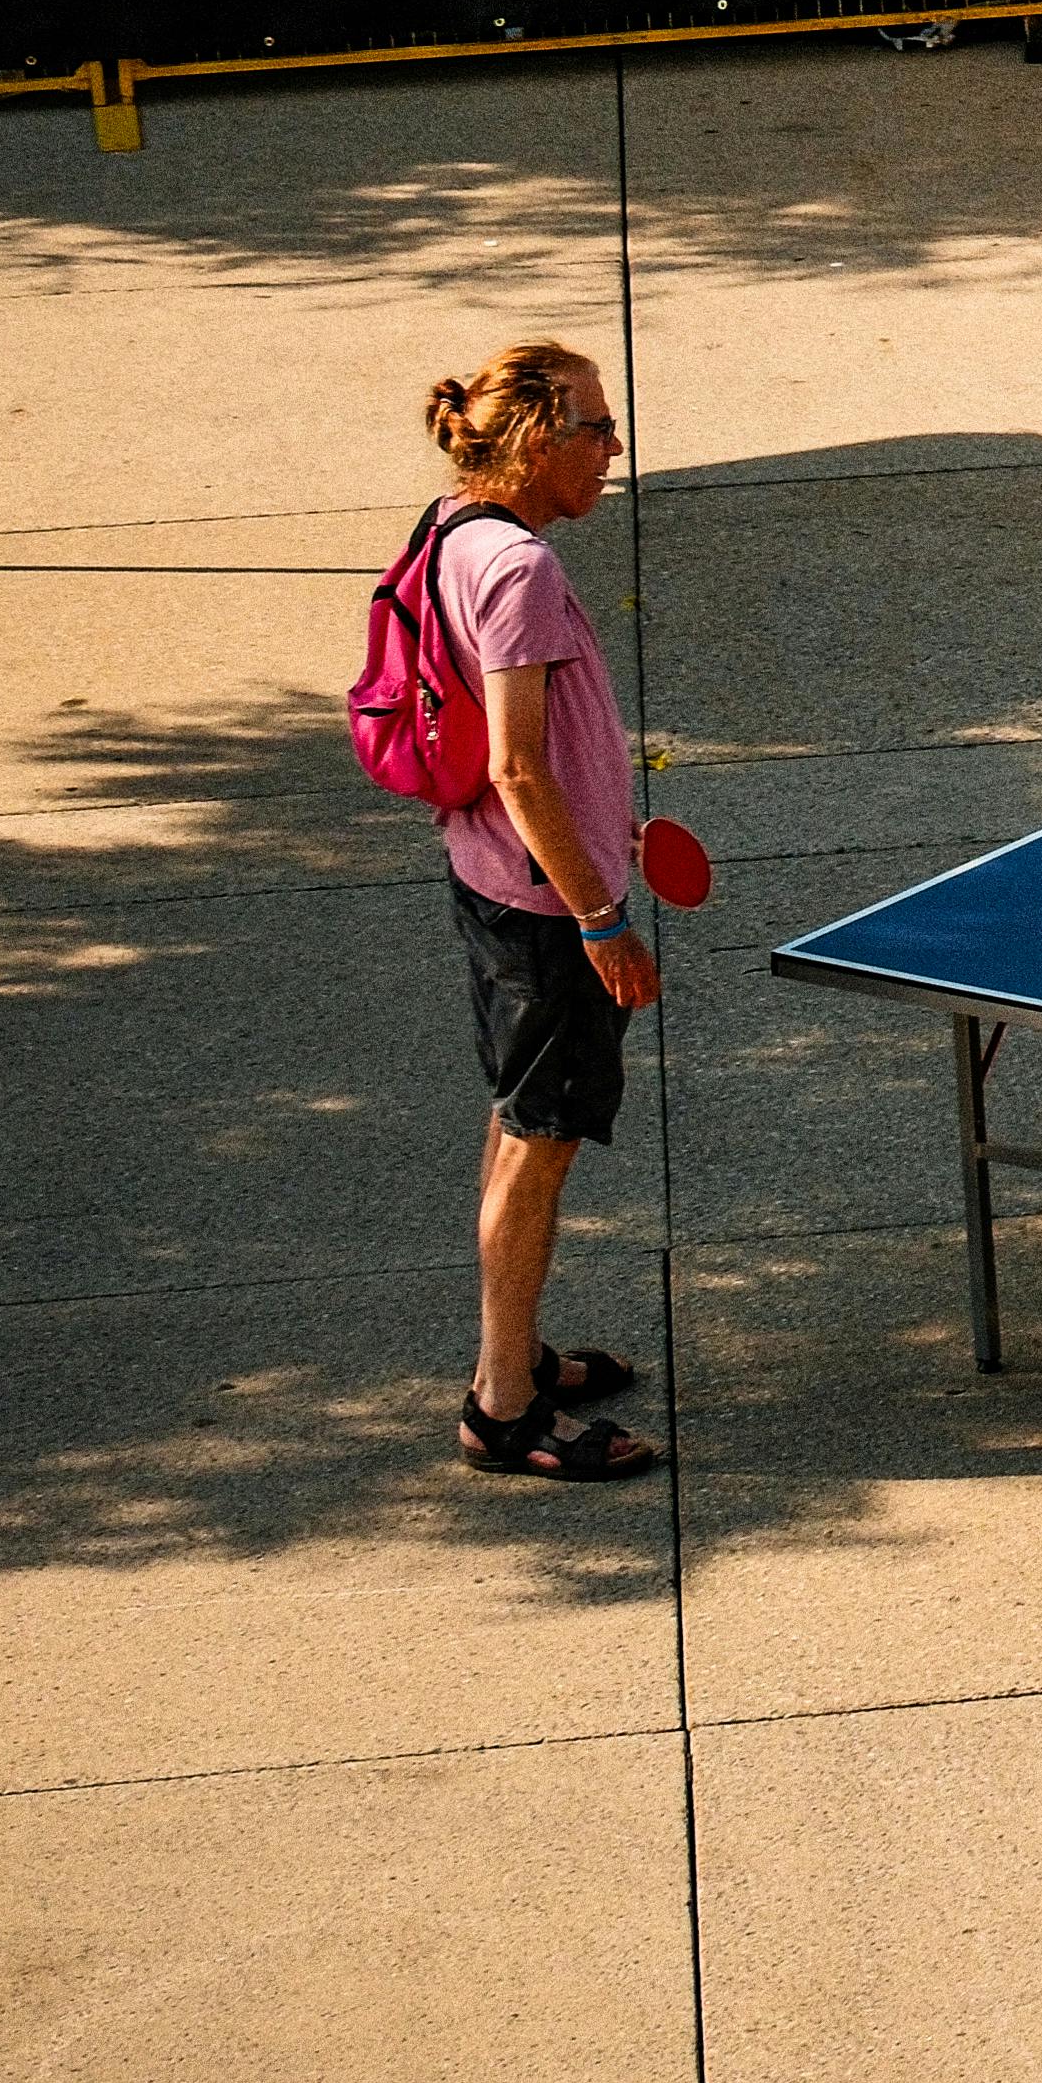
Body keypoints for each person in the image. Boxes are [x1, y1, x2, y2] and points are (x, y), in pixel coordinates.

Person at [412, 340, 664, 1487]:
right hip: (542, 906)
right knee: (538, 1148)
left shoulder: (448, 527)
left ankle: (508, 1355)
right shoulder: (520, 573)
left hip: (490, 879)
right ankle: (503, 1410)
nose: (613, 450)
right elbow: (519, 767)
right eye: (596, 429)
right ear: (535, 439)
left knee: (518, 1126)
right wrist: (603, 916)